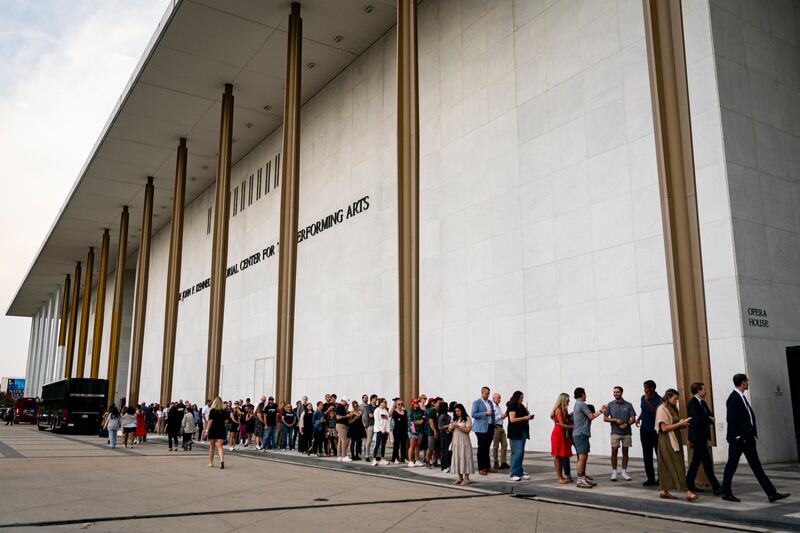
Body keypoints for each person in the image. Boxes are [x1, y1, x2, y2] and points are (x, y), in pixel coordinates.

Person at [721, 374, 789, 503]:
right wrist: (738, 436)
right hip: (738, 440)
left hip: (748, 438)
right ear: (742, 383)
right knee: (731, 466)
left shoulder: (742, 397)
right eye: (747, 381)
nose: (748, 383)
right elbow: (731, 419)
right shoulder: (733, 398)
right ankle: (726, 492)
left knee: (757, 466)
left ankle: (772, 493)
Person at [655, 389, 697, 501]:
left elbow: (674, 423)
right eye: (675, 399)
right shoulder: (662, 409)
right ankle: (687, 492)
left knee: (669, 465)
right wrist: (679, 424)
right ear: (668, 398)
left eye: (677, 399)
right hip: (667, 440)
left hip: (674, 438)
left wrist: (682, 423)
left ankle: (664, 490)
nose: (676, 401)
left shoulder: (672, 408)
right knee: (675, 464)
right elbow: (663, 428)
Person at [685, 382, 721, 495]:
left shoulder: (703, 403)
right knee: (706, 461)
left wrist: (708, 419)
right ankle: (716, 487)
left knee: (696, 461)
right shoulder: (692, 403)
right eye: (704, 389)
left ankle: (689, 483)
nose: (705, 391)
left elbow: (710, 416)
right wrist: (708, 419)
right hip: (697, 437)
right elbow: (698, 419)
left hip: (703, 436)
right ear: (698, 391)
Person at [572, 387, 606, 488]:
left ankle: (583, 478)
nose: (586, 395)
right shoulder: (581, 404)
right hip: (581, 434)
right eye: (585, 394)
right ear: (582, 394)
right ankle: (580, 480)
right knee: (582, 457)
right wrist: (601, 410)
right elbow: (591, 416)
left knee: (583, 456)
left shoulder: (576, 404)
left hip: (579, 434)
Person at [604, 386, 636, 481]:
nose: (615, 394)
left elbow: (633, 419)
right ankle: (614, 472)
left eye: (617, 392)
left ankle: (624, 471)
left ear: (621, 393)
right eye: (614, 392)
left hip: (626, 432)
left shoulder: (628, 405)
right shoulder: (610, 404)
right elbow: (605, 418)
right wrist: (615, 420)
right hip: (615, 432)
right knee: (614, 452)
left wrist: (626, 424)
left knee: (625, 452)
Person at [636, 380, 661, 486]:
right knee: (647, 455)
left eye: (646, 388)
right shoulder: (643, 398)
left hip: (655, 431)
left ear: (652, 388)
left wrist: (648, 401)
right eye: (644, 388)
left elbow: (655, 411)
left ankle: (661, 478)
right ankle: (650, 478)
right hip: (644, 430)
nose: (645, 390)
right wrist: (639, 418)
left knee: (659, 455)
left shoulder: (659, 399)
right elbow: (644, 410)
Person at [505, 390, 533, 482]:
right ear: (517, 397)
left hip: (523, 431)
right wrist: (524, 418)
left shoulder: (521, 406)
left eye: (523, 397)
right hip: (515, 432)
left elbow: (525, 416)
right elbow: (512, 419)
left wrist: (528, 415)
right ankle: (513, 473)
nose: (522, 399)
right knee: (517, 452)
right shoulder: (512, 406)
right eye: (521, 397)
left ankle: (519, 472)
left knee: (520, 453)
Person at [470, 386, 497, 475]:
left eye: (489, 394)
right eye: (486, 394)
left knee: (487, 448)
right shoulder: (476, 402)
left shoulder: (490, 402)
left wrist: (494, 424)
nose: (488, 395)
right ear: (482, 393)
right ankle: (481, 468)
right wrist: (485, 413)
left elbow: (492, 414)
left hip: (490, 427)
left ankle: (487, 467)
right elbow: (473, 414)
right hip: (481, 428)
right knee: (481, 448)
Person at [449, 404, 474, 485]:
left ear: (462, 410)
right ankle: (460, 477)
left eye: (458, 411)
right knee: (457, 458)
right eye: (455, 411)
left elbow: (468, 430)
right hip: (456, 441)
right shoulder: (455, 419)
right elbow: (449, 429)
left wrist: (458, 426)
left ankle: (467, 478)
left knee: (465, 457)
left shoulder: (467, 418)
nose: (457, 412)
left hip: (464, 441)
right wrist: (451, 427)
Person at [551, 393, 573, 484]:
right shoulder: (559, 410)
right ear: (564, 399)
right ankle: (559, 477)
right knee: (558, 456)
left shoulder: (565, 410)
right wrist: (574, 426)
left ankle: (562, 476)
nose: (569, 401)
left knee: (562, 455)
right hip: (558, 434)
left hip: (563, 434)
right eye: (568, 399)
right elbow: (562, 425)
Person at [204, 397, 226, 468]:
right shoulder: (223, 411)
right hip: (221, 429)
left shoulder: (212, 410)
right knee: (220, 447)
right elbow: (226, 421)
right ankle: (222, 460)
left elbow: (210, 421)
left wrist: (206, 430)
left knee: (212, 447)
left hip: (213, 429)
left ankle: (211, 463)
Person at [491, 393, 509, 470]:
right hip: (495, 427)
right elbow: (493, 418)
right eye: (498, 398)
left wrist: (507, 413)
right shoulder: (492, 407)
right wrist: (500, 416)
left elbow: (502, 417)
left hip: (501, 427)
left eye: (500, 398)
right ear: (494, 398)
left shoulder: (498, 407)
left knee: (504, 444)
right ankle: (495, 462)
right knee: (496, 446)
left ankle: (503, 462)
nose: (499, 399)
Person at [371, 398, 390, 465]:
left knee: (383, 445)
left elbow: (387, 421)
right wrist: (382, 430)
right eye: (384, 402)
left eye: (386, 402)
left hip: (385, 431)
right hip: (379, 430)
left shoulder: (385, 411)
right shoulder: (377, 410)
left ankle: (382, 459)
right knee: (377, 444)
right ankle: (374, 459)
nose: (385, 403)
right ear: (380, 403)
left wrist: (387, 429)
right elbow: (377, 421)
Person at [407, 399, 424, 467]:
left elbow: (423, 417)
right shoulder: (410, 412)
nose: (416, 404)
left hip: (419, 430)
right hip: (412, 430)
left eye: (417, 403)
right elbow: (410, 422)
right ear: (412, 404)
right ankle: (410, 461)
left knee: (418, 446)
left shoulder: (420, 411)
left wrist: (422, 420)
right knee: (412, 446)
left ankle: (417, 460)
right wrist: (418, 422)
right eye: (415, 403)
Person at [390, 399, 408, 464]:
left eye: (401, 404)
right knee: (396, 445)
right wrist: (401, 420)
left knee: (403, 445)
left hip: (404, 430)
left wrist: (401, 420)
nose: (400, 405)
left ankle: (403, 458)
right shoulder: (395, 412)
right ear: (396, 405)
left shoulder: (405, 412)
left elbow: (406, 421)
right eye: (398, 404)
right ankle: (395, 458)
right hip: (397, 430)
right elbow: (397, 421)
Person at [335, 396, 351, 462]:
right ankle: (344, 456)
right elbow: (338, 417)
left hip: (342, 425)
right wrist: (346, 416)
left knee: (340, 441)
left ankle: (339, 456)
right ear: (342, 400)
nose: (346, 403)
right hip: (341, 425)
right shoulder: (339, 407)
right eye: (345, 402)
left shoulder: (342, 407)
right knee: (345, 440)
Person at [438, 400, 452, 473]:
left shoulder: (448, 415)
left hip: (448, 434)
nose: (448, 408)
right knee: (444, 450)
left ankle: (447, 465)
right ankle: (444, 466)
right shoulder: (442, 416)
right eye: (447, 406)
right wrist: (450, 425)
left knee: (448, 450)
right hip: (443, 434)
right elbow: (440, 426)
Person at [363, 395, 377, 461]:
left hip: (377, 425)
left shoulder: (377, 407)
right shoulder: (368, 407)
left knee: (377, 441)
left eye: (376, 399)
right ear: (372, 399)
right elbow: (370, 415)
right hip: (371, 425)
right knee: (369, 441)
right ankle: (367, 456)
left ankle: (377, 455)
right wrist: (377, 414)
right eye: (375, 399)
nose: (376, 400)